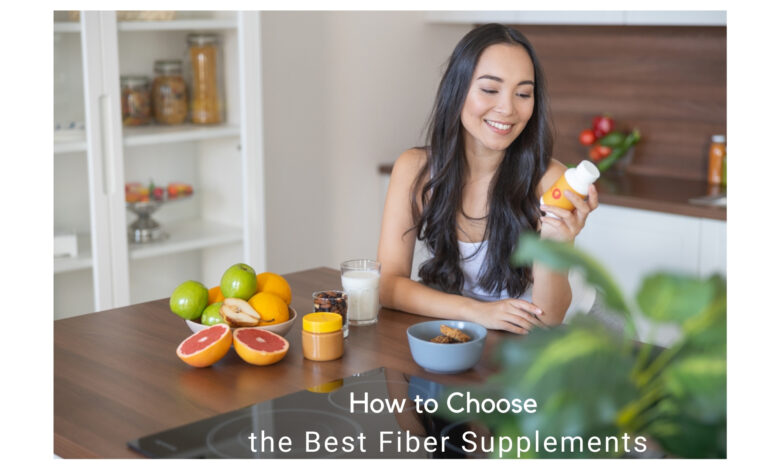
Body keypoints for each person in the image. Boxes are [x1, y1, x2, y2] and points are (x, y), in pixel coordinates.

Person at [377, 24, 599, 334]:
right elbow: (387, 286)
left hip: (572, 333)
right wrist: (477, 312)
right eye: (490, 89)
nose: (508, 109)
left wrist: (556, 242)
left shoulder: (550, 181)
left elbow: (549, 318)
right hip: (482, 329)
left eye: (523, 93)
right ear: (458, 90)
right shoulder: (415, 169)